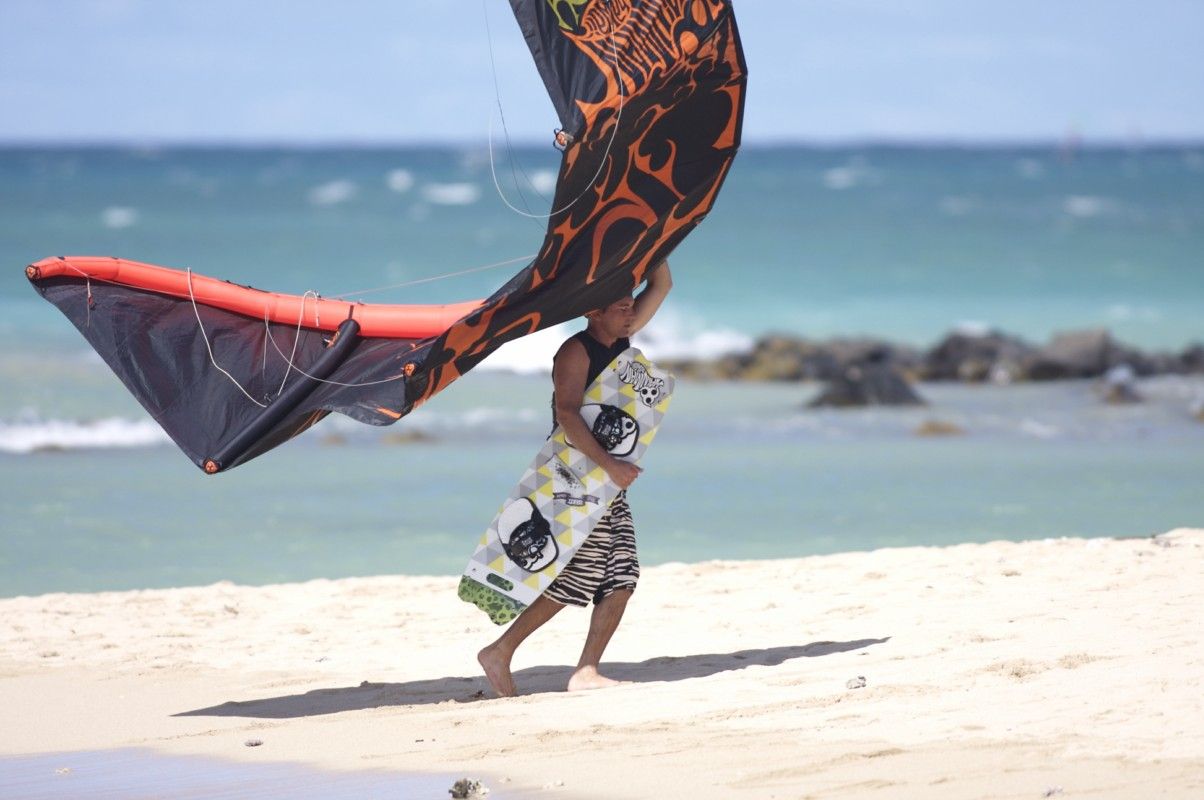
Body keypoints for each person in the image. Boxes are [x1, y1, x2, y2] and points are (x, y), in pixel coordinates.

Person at [477, 260, 673, 696]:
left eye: (630, 306)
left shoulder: (621, 336)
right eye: (621, 306)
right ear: (593, 312)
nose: (630, 312)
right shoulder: (576, 351)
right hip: (574, 476)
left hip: (603, 478)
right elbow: (567, 414)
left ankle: (586, 671)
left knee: (622, 576)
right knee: (580, 577)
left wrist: (655, 240)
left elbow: (663, 283)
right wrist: (612, 465)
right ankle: (500, 651)